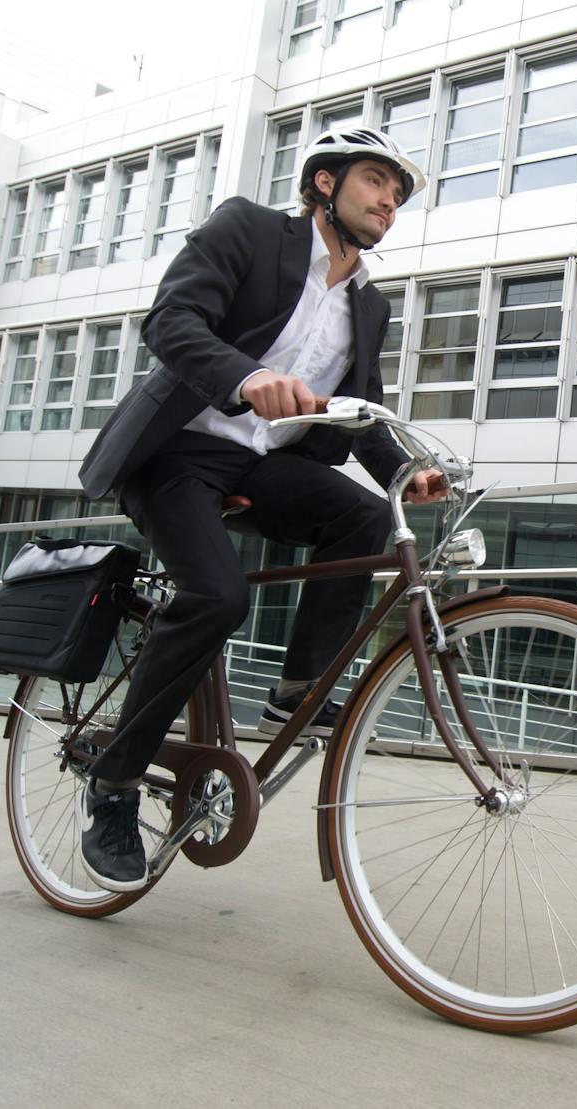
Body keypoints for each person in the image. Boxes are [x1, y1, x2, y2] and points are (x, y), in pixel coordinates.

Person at [73, 128, 448, 892]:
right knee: (217, 597)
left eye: (398, 194)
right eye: (375, 181)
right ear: (324, 183)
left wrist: (407, 471)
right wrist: (246, 377)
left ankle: (296, 695)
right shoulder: (247, 228)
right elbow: (171, 321)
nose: (389, 201)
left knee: (365, 519)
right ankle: (113, 783)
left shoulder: (369, 305)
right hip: (177, 450)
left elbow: (357, 409)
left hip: (264, 462)